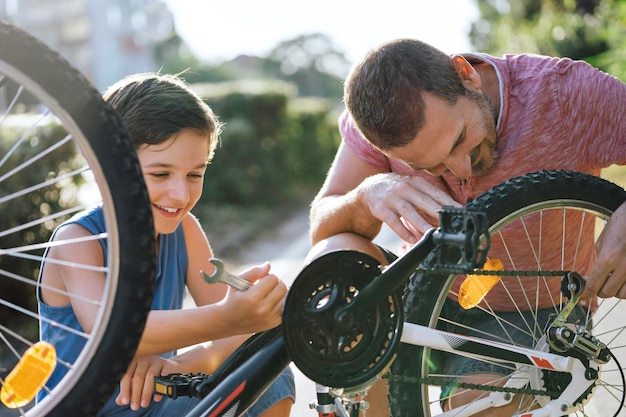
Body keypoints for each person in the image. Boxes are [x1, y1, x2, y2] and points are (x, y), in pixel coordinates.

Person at [306, 38, 626, 416]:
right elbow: (323, 224)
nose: (460, 171)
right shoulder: (381, 124)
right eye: (431, 167)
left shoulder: (563, 93)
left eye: (460, 140)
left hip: (534, 311)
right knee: (335, 255)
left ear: (466, 75)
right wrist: (367, 194)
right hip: (421, 297)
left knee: (474, 406)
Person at [37, 73, 295, 417]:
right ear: (107, 168)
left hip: (153, 404)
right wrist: (227, 317)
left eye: (195, 175)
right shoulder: (79, 241)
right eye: (160, 174)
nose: (181, 194)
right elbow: (111, 332)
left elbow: (244, 334)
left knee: (266, 374)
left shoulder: (184, 231)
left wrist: (186, 363)